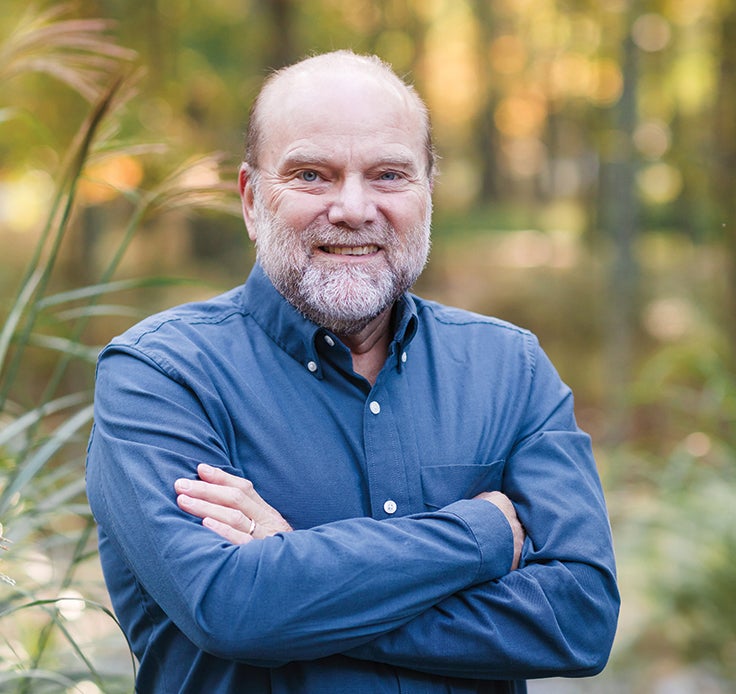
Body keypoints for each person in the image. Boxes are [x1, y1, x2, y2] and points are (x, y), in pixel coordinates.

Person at [86, 50, 619, 694]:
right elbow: (230, 608)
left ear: (428, 194)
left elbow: (580, 618)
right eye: (312, 175)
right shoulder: (161, 375)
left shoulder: (511, 368)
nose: (353, 208)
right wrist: (480, 535)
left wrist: (293, 587)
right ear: (253, 200)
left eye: (389, 175)